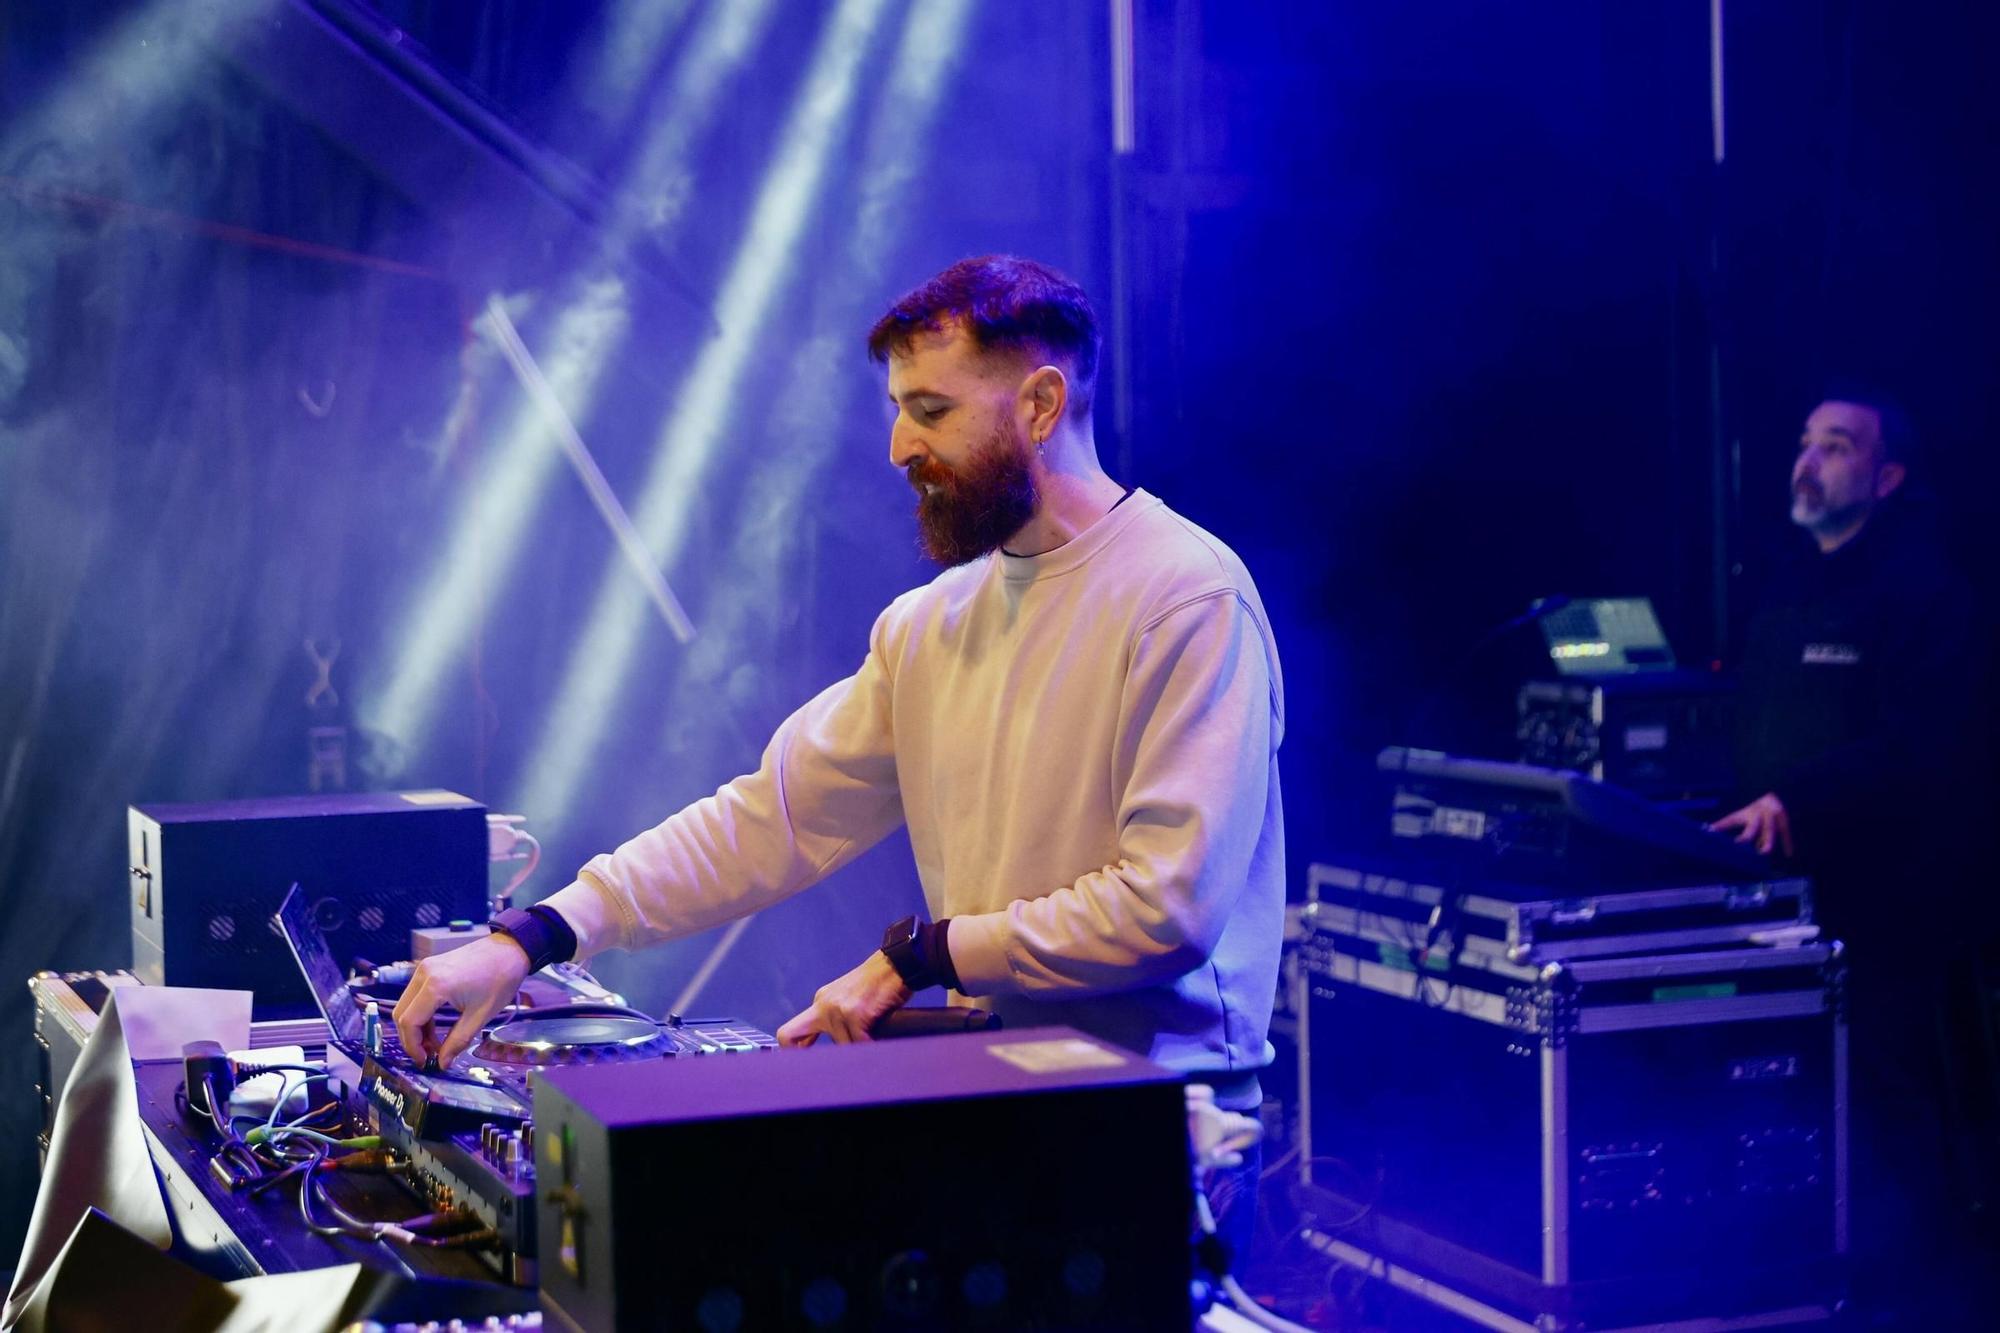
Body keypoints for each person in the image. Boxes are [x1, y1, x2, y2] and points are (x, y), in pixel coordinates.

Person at [393, 253, 1285, 1118]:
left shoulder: (1187, 596)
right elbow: (767, 821)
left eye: (931, 410)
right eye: (899, 410)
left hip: (1161, 1122)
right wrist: (534, 936)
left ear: (1042, 404)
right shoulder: (929, 623)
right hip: (997, 1091)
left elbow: (1165, 908)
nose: (900, 446)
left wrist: (924, 956)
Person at [1716, 392, 1992, 1324]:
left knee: (1890, 1110)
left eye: (1837, 447)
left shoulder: (1926, 593)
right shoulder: (1784, 585)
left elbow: (1924, 745)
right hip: (1783, 900)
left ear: (1886, 477)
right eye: (1805, 442)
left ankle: (1916, 1298)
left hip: (1890, 907)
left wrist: (1800, 799)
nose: (1810, 461)